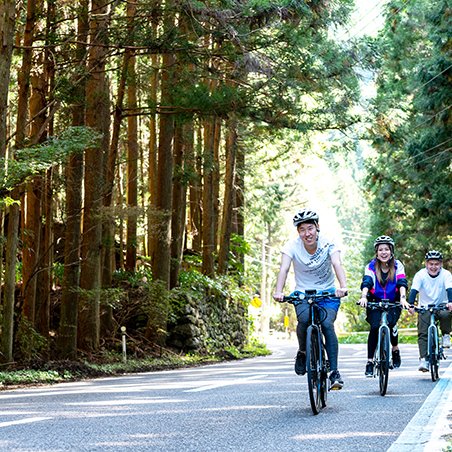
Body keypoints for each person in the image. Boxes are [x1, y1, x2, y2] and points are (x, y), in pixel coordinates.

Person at [273, 208, 348, 390]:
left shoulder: (329, 242)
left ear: (317, 227)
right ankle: (303, 351)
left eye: (310, 228)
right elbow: (283, 268)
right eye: (302, 230)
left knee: (327, 325)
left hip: (328, 293)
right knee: (304, 320)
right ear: (298, 232)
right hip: (302, 292)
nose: (307, 233)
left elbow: (337, 263)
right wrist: (278, 291)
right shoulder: (291, 246)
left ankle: (334, 372)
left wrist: (343, 286)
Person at [359, 235, 410, 376]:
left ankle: (395, 349)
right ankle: (369, 362)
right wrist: (363, 297)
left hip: (394, 300)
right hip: (375, 300)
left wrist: (403, 299)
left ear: (391, 251)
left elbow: (402, 283)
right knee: (375, 327)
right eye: (380, 249)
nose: (383, 252)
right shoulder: (370, 266)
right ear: (376, 252)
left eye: (386, 249)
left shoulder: (398, 265)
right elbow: (367, 282)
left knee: (392, 325)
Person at [408, 250, 452, 372]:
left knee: (446, 313)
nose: (433, 267)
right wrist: (411, 305)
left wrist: (450, 301)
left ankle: (446, 335)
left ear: (441, 264)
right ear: (426, 264)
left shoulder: (446, 274)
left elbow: (449, 288)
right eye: (431, 264)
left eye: (436, 264)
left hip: (442, 304)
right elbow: (414, 290)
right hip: (425, 307)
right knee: (423, 333)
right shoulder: (420, 275)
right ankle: (424, 359)